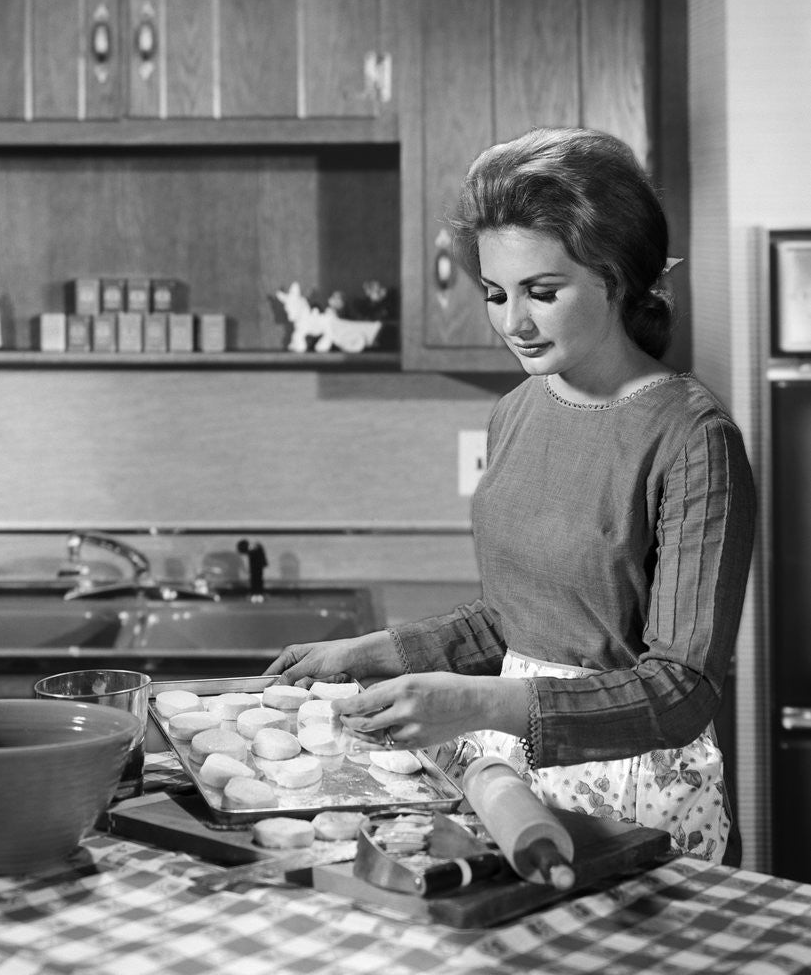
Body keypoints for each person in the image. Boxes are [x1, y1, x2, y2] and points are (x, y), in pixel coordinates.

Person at [264, 126, 756, 865]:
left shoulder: (694, 439)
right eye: (496, 294)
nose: (512, 322)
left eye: (542, 293)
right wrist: (369, 653)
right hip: (511, 778)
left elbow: (680, 690)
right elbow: (513, 619)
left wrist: (475, 702)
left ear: (618, 280)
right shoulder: (518, 410)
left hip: (638, 795)